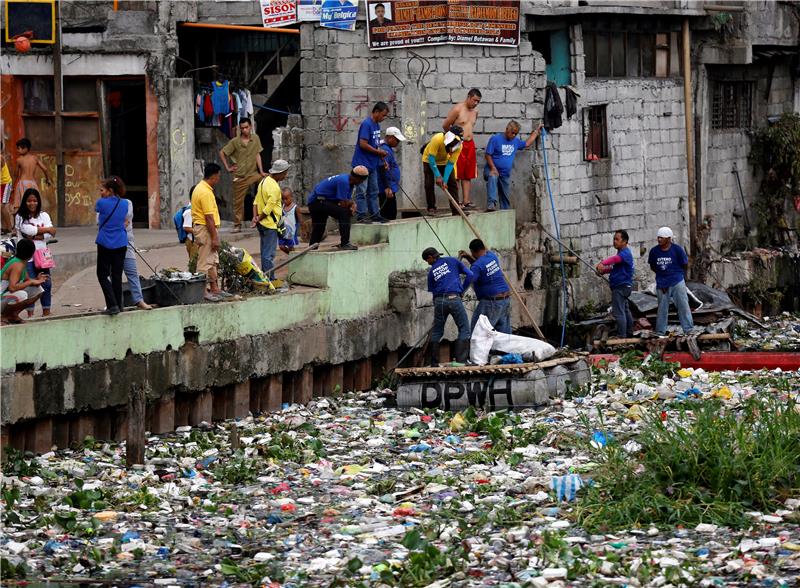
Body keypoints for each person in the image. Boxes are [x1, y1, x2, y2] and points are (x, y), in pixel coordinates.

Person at [423, 246, 474, 366]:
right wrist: (462, 290)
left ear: (430, 258)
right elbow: (470, 275)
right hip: (454, 298)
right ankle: (461, 361)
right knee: (464, 329)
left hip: (439, 301)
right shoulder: (453, 260)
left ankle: (434, 363)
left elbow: (433, 292)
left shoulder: (431, 272)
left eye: (427, 261)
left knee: (437, 332)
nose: (428, 263)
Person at [14, 188, 56, 317]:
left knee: (46, 284)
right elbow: (27, 231)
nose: (32, 203)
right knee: (31, 286)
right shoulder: (20, 217)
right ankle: (30, 314)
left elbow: (51, 233)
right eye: (29, 201)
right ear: (24, 202)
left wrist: (39, 234)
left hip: (42, 257)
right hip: (28, 258)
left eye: (35, 201)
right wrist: (46, 230)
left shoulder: (44, 215)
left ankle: (46, 312)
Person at [219, 118, 265, 232]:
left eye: (246, 127)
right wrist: (228, 167)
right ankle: (237, 225)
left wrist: (262, 171)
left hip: (253, 173)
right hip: (239, 176)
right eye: (242, 128)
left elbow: (257, 155)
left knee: (265, 184)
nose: (245, 130)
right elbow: (222, 153)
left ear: (250, 127)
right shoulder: (235, 141)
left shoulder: (256, 139)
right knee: (238, 202)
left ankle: (263, 219)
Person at [484, 121, 543, 211]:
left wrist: (536, 132)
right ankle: (491, 204)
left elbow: (526, 144)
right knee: (493, 176)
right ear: (507, 129)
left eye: (516, 133)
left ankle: (505, 213)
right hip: (492, 169)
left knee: (505, 194)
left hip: (504, 174)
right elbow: (488, 155)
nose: (514, 135)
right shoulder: (495, 139)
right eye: (512, 133)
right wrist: (493, 167)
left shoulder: (515, 141)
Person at [307, 166, 368, 251]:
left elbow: (344, 201)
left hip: (316, 202)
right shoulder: (344, 182)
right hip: (319, 202)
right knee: (344, 213)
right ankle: (345, 243)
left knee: (319, 227)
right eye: (362, 180)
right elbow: (343, 203)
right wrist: (352, 204)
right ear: (358, 178)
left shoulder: (348, 182)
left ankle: (312, 248)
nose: (362, 182)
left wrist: (350, 205)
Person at [648, 226, 694, 336]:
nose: (659, 240)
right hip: (662, 284)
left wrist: (675, 276)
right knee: (662, 308)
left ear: (669, 239)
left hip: (677, 281)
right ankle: (660, 332)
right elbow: (653, 266)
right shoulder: (654, 251)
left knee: (683, 305)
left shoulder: (677, 250)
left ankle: (688, 330)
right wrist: (663, 279)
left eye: (662, 238)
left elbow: (684, 264)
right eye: (658, 237)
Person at [192, 163, 229, 301]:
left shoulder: (201, 188)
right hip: (205, 229)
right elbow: (209, 217)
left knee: (212, 260)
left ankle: (214, 287)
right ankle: (201, 291)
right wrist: (214, 237)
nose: (219, 179)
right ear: (214, 176)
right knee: (204, 262)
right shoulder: (205, 192)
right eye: (218, 176)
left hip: (207, 228)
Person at [459, 238, 512, 334]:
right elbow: (481, 266)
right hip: (505, 300)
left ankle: (474, 349)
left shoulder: (477, 266)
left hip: (491, 302)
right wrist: (468, 257)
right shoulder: (492, 256)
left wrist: (461, 292)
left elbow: (470, 278)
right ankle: (506, 350)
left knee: (478, 331)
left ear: (473, 251)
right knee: (504, 335)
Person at [95, 176, 129, 316]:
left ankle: (112, 304)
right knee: (116, 276)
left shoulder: (101, 203)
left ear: (110, 190)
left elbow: (97, 210)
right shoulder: (125, 203)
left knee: (102, 274)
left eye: (103, 190)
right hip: (121, 242)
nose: (101, 193)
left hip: (105, 243)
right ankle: (119, 305)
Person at [443, 89, 481, 209]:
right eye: (474, 100)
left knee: (468, 174)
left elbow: (470, 126)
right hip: (458, 143)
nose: (476, 103)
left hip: (470, 144)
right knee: (457, 173)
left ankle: (466, 201)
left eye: (478, 101)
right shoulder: (458, 109)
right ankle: (457, 201)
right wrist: (452, 140)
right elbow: (445, 125)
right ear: (468, 97)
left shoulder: (476, 112)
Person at [352, 102, 390, 224]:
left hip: (372, 164)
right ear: (376, 112)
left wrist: (383, 160)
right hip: (362, 164)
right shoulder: (367, 124)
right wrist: (379, 153)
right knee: (361, 191)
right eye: (383, 115)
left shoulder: (377, 126)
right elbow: (363, 144)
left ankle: (375, 214)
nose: (384, 118)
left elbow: (376, 145)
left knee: (373, 191)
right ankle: (361, 215)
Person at [252, 159, 290, 280]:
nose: (285, 176)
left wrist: (255, 217)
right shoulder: (275, 187)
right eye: (285, 173)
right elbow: (269, 208)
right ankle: (270, 279)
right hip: (270, 224)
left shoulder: (263, 182)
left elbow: (256, 201)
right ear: (279, 173)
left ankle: (265, 277)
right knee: (269, 254)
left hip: (262, 223)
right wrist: (258, 218)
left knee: (264, 252)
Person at [596, 229, 634, 338]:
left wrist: (602, 263)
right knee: (625, 310)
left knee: (619, 313)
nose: (614, 241)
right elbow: (614, 268)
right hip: (623, 287)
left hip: (620, 287)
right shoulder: (622, 253)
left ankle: (622, 336)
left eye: (617, 239)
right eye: (614, 239)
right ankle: (629, 333)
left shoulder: (625, 253)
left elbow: (614, 259)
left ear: (624, 241)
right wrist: (604, 270)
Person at [1, 238, 48, 324]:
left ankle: (13, 315)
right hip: (1, 299)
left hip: (5, 298)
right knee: (22, 295)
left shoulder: (22, 262)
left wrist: (37, 280)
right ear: (31, 253)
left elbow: (27, 280)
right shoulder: (17, 264)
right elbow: (12, 287)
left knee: (38, 290)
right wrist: (31, 282)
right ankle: (3, 316)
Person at [422, 126, 463, 215]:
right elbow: (431, 158)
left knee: (452, 183)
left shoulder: (459, 146)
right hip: (428, 160)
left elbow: (450, 164)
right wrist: (437, 175)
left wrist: (445, 180)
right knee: (429, 183)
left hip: (444, 161)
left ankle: (456, 209)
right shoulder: (437, 139)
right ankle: (431, 208)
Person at [123, 197, 152, 310]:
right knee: (113, 275)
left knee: (132, 272)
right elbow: (99, 220)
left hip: (127, 242)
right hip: (112, 243)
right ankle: (114, 302)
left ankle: (139, 300)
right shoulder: (104, 204)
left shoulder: (127, 203)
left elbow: (127, 218)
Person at [13, 138, 51, 215]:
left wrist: (13, 187)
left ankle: (19, 224)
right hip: (33, 184)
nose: (17, 150)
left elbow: (15, 175)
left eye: (19, 148)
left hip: (22, 184)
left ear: (25, 148)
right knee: (34, 204)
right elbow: (45, 169)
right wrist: (48, 179)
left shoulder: (19, 160)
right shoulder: (35, 158)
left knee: (19, 205)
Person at [378, 126, 406, 221]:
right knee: (389, 214)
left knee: (391, 212)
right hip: (386, 188)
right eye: (397, 140)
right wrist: (387, 186)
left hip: (390, 186)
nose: (398, 143)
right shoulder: (385, 150)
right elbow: (383, 168)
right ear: (390, 138)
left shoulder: (387, 148)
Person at [279, 187, 302, 254]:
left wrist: (302, 228)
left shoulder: (295, 207)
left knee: (290, 247)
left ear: (291, 197)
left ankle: (293, 258)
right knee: (281, 246)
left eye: (286, 199)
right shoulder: (282, 207)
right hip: (282, 230)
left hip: (291, 231)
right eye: (283, 199)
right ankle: (292, 256)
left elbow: (300, 220)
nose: (284, 201)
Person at [1, 149, 13, 234]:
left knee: (3, 205)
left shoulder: (0, 158)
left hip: (5, 183)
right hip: (1, 183)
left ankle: (10, 228)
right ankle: (4, 227)